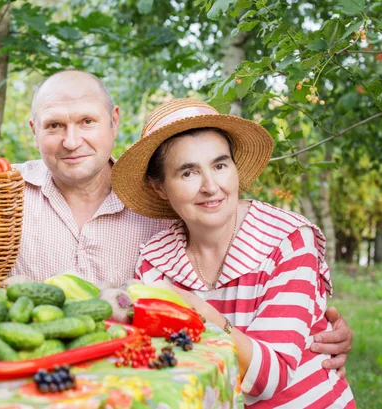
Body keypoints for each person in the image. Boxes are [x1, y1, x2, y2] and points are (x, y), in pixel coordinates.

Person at [0, 72, 352, 376]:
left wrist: (313, 328)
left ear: (114, 121)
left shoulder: (163, 209)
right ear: (33, 131)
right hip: (22, 383)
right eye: (54, 126)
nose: (71, 140)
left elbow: (224, 273)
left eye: (87, 122)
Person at [111, 98, 355, 407]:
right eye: (188, 173)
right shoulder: (155, 259)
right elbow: (163, 362)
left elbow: (268, 379)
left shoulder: (287, 240)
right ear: (160, 187)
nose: (211, 186)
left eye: (220, 165)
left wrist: (197, 310)